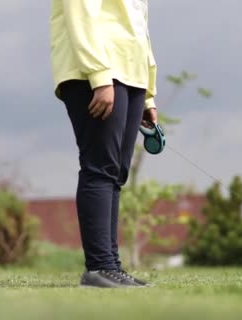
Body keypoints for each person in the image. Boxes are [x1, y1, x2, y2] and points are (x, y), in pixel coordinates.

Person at [49, 0, 158, 288]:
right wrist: (98, 75)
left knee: (116, 173)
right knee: (100, 167)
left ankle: (111, 267)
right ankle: (98, 267)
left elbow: (138, 25)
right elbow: (80, 13)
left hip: (131, 74)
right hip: (97, 71)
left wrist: (148, 94)